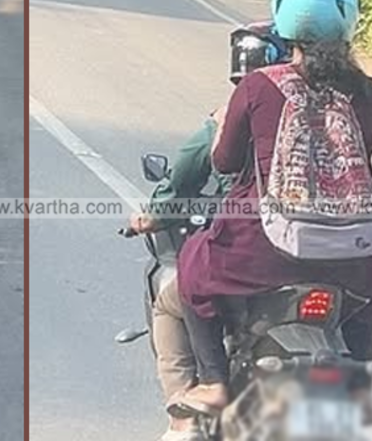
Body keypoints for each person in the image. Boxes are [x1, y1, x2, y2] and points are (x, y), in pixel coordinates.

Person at [174, 0, 372, 419]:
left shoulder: (259, 85)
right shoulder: (371, 98)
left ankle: (214, 383)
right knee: (370, 289)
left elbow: (225, 163)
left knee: (191, 269)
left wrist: (222, 128)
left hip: (260, 249)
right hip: (353, 254)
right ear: (348, 23)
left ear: (283, 22)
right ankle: (358, 374)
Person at [128, 22, 289, 441]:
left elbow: (184, 176)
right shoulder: (338, 109)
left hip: (249, 254)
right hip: (337, 258)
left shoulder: (228, 117)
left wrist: (151, 216)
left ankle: (186, 418)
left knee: (178, 292)